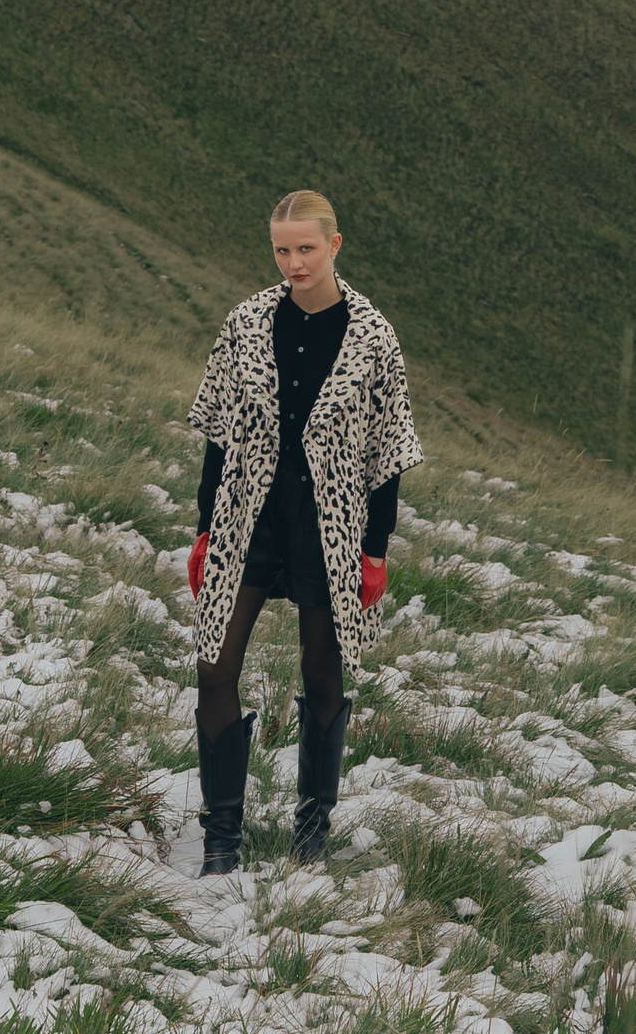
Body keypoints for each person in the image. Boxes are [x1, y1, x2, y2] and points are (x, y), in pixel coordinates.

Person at [184, 189, 422, 873]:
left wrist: (374, 550)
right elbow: (219, 437)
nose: (293, 262)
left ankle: (311, 831)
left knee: (322, 668)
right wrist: (206, 532)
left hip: (332, 526)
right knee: (214, 665)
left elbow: (388, 455)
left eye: (306, 248)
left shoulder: (374, 336)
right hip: (245, 519)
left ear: (335, 245)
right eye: (282, 249)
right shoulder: (247, 322)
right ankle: (222, 842)